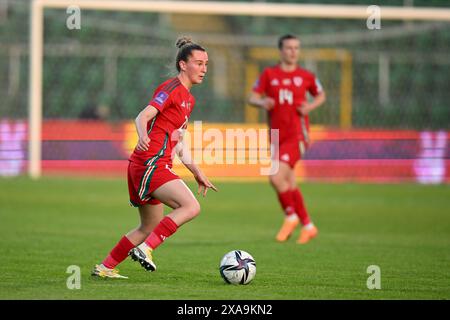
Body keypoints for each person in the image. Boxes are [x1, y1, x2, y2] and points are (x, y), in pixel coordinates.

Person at [92, 37, 217, 279]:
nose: (204, 69)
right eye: (199, 63)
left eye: (206, 64)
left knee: (148, 226)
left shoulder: (188, 99)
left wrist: (197, 172)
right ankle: (146, 248)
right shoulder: (170, 89)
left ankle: (105, 267)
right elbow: (142, 116)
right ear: (183, 64)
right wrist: (141, 135)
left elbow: (178, 141)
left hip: (147, 165)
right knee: (191, 207)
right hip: (150, 162)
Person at [248, 34, 326, 244]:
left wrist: (309, 106)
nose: (293, 51)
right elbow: (251, 97)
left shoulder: (306, 76)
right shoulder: (269, 74)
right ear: (281, 51)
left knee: (275, 177)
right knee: (289, 181)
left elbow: (321, 95)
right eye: (289, 48)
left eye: (296, 48)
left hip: (298, 135)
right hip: (276, 138)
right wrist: (262, 102)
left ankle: (290, 216)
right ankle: (309, 226)